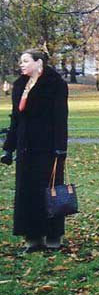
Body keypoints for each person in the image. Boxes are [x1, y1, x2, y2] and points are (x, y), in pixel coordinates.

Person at [1, 50, 69, 254]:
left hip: (48, 147)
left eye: (25, 61)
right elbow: (16, 118)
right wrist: (8, 148)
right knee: (27, 193)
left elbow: (60, 117)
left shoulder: (55, 84)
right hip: (25, 148)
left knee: (50, 191)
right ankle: (32, 238)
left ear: (39, 63)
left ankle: (53, 237)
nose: (21, 65)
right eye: (20, 61)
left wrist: (60, 147)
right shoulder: (20, 85)